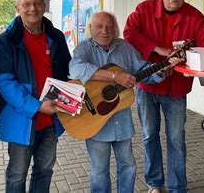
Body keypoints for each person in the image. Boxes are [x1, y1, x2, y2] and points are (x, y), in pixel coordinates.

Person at [69, 11, 180, 193]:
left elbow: (142, 69)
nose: (105, 31)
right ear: (90, 29)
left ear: (115, 29)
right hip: (94, 122)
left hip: (122, 122)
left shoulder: (125, 48)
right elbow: (75, 69)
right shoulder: (83, 48)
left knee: (128, 166)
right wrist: (114, 76)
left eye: (109, 26)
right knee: (99, 171)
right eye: (99, 26)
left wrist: (161, 69)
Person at [124, 0, 204, 193]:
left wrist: (188, 58)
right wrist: (158, 49)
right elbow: (129, 33)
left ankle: (177, 187)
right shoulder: (143, 10)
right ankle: (155, 183)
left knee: (176, 139)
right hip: (146, 86)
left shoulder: (195, 17)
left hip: (176, 89)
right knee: (149, 135)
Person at [0, 0, 71, 193]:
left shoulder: (56, 37)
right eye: (26, 4)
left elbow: (66, 73)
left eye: (37, 3)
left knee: (45, 170)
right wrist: (37, 107)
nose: (32, 9)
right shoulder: (6, 40)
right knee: (17, 174)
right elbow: (5, 81)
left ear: (44, 6)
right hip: (22, 118)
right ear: (17, 8)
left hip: (51, 118)